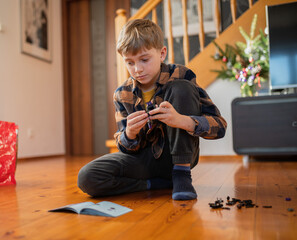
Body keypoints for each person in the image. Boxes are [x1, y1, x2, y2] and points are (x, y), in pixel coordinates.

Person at [78, 19, 227, 200]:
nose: (138, 69)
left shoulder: (182, 75)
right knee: (87, 177)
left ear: (162, 53)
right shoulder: (122, 94)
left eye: (144, 59)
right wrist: (130, 134)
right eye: (130, 63)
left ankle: (181, 175)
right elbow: (123, 146)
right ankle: (156, 184)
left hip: (178, 156)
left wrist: (182, 121)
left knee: (181, 88)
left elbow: (220, 127)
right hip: (143, 160)